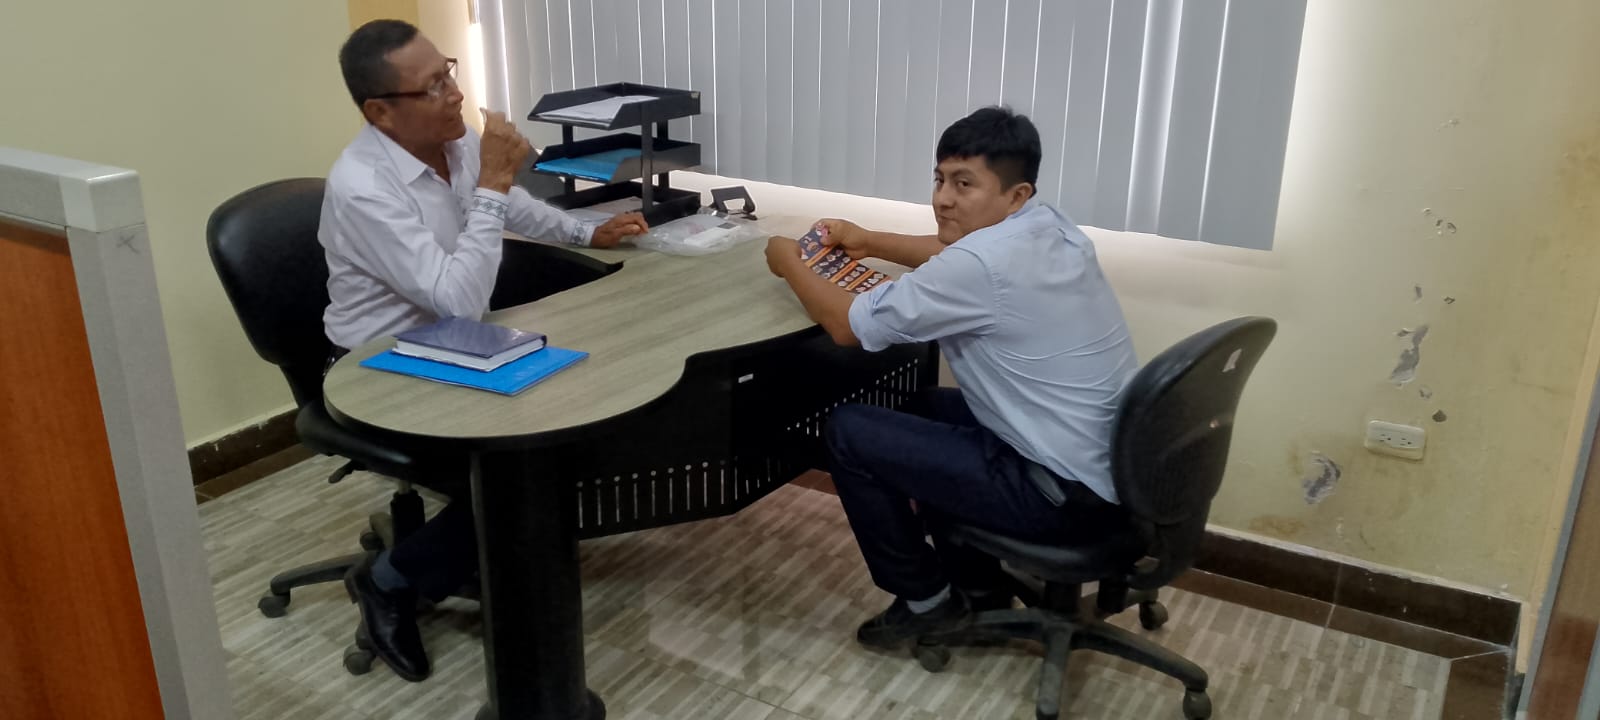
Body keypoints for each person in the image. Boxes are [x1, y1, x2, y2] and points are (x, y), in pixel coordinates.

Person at [320, 19, 648, 682]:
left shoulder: (450, 138)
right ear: (380, 113)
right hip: (381, 364)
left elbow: (510, 206)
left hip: (455, 345)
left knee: (578, 411)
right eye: (432, 87)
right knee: (530, 461)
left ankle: (466, 547)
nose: (455, 94)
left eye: (448, 72)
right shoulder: (362, 187)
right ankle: (387, 581)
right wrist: (495, 180)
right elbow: (458, 300)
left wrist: (585, 233)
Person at [764, 107, 1139, 650]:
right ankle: (978, 584)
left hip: (1057, 493)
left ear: (1015, 194)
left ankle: (928, 601)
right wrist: (869, 241)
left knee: (847, 430)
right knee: (920, 408)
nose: (942, 198)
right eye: (939, 179)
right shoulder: (1049, 226)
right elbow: (955, 251)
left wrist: (788, 262)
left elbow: (847, 326)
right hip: (1106, 466)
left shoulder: (980, 267)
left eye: (964, 184)